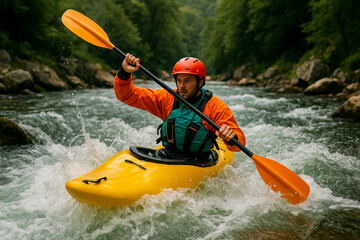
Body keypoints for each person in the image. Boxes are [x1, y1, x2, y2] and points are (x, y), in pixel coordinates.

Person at [114, 53, 246, 159]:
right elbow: (127, 96)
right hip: (168, 155)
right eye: (179, 80)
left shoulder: (215, 106)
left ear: (200, 82)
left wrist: (230, 137)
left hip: (200, 161)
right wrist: (124, 73)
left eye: (187, 81)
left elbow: (239, 144)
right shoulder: (167, 98)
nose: (181, 86)